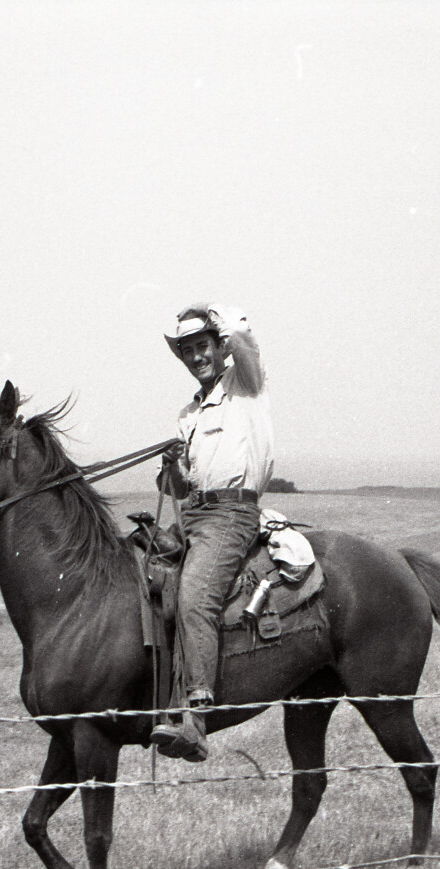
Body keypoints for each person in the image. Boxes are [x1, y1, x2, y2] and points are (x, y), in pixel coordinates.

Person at [149, 303, 273, 762]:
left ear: (218, 348)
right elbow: (180, 488)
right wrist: (173, 467)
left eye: (203, 346)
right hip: (193, 517)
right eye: (188, 351)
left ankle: (196, 718)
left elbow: (243, 335)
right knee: (150, 580)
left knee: (196, 593)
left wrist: (209, 314)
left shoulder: (245, 384)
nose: (196, 357)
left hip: (232, 516)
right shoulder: (188, 414)